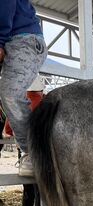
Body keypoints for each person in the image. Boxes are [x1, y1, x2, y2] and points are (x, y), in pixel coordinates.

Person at [0, 0, 47, 177]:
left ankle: (33, 153)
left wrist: (0, 39)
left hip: (23, 38)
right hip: (10, 38)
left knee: (10, 93)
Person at [3, 74, 44, 206]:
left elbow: (7, 131)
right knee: (41, 192)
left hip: (24, 154)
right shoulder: (43, 103)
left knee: (28, 190)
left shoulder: (18, 103)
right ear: (40, 89)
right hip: (40, 152)